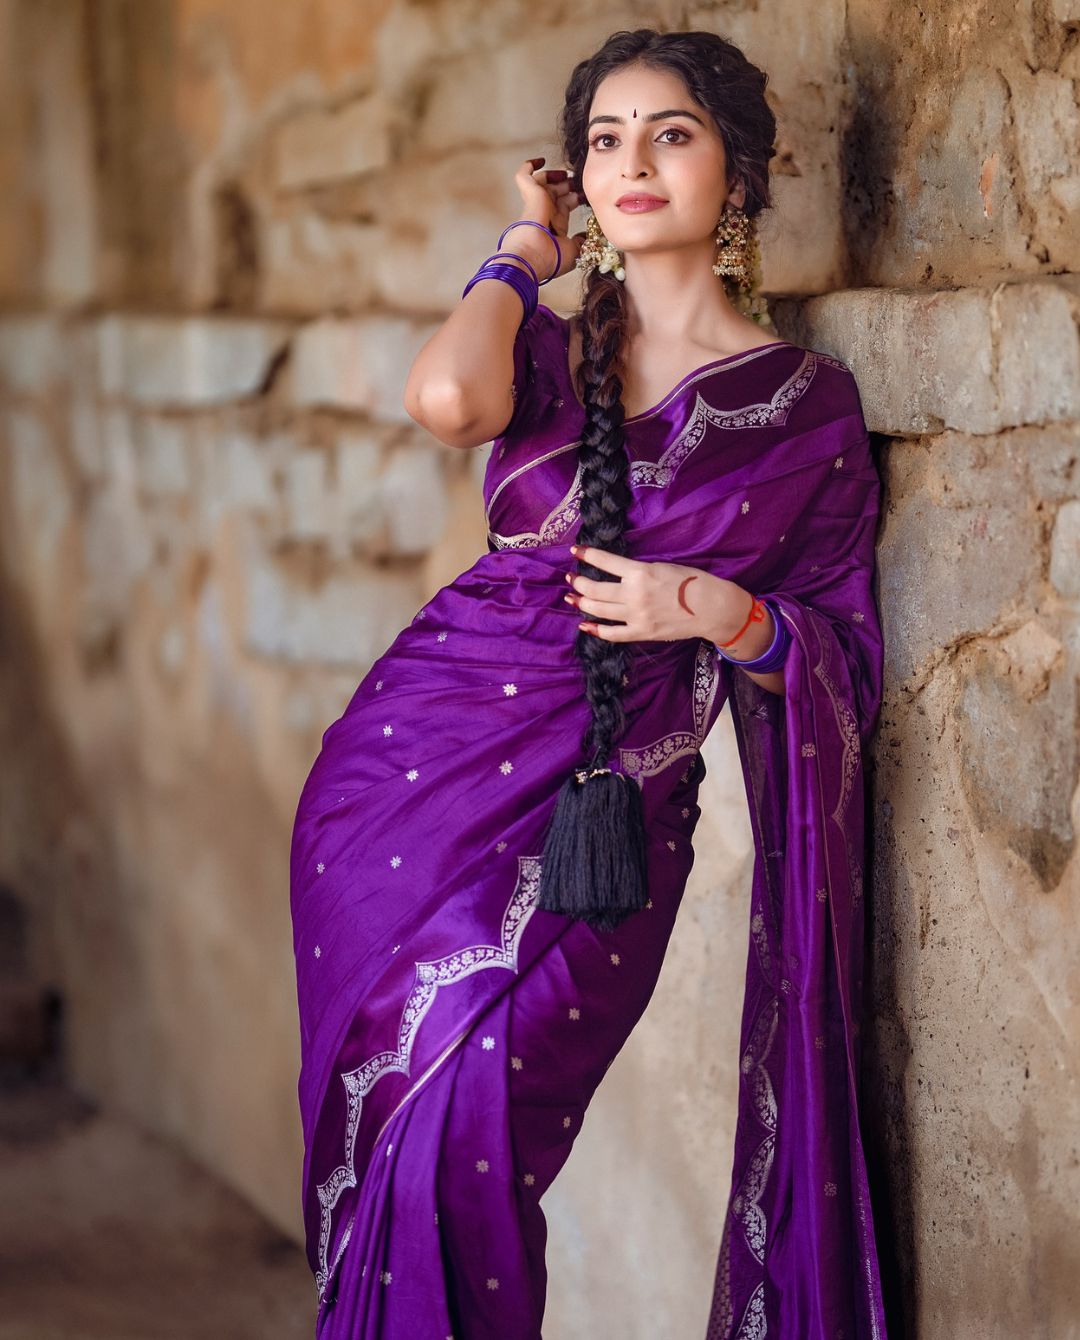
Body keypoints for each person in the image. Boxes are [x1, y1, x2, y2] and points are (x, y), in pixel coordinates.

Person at [290, 26, 890, 1340]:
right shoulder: (548, 352)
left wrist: (720, 611)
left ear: (738, 173)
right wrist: (522, 249)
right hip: (402, 790)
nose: (632, 160)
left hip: (599, 826)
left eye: (671, 132)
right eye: (605, 138)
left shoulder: (804, 409)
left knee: (476, 1145)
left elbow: (841, 656)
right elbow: (446, 397)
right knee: (399, 1136)